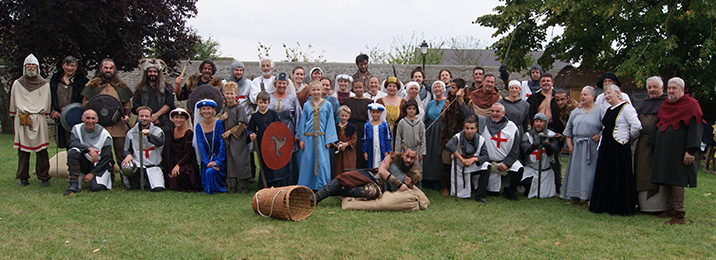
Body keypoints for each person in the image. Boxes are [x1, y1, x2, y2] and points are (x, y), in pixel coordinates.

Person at [650, 77, 703, 224]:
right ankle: (669, 209)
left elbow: (696, 128)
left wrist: (691, 150)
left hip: (680, 151)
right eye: (669, 88)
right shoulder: (666, 105)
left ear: (682, 90)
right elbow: (658, 124)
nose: (671, 91)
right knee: (666, 178)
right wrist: (654, 142)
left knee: (677, 180)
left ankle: (679, 214)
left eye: (674, 88)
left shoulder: (692, 105)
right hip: (665, 150)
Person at [589, 84, 641, 216]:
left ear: (618, 93)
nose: (606, 96)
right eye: (605, 94)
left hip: (619, 147)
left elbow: (636, 125)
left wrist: (627, 138)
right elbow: (605, 129)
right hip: (607, 146)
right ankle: (604, 204)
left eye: (609, 93)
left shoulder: (626, 108)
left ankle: (618, 206)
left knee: (618, 175)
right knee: (606, 174)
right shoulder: (609, 110)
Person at [82, 58, 132, 183]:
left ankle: (126, 178)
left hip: (118, 125)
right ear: (101, 69)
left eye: (111, 68)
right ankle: (108, 178)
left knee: (121, 153)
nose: (108, 70)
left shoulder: (121, 85)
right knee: (105, 155)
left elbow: (126, 104)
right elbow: (85, 103)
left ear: (114, 70)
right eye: (106, 68)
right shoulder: (92, 85)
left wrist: (126, 115)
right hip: (100, 126)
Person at [314, 149, 421, 203]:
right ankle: (315, 198)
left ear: (415, 159)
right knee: (345, 177)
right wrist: (398, 182)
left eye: (412, 158)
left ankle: (335, 191)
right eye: (407, 156)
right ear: (403, 155)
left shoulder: (413, 172)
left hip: (380, 187)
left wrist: (408, 184)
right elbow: (382, 171)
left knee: (370, 191)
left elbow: (411, 191)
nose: (408, 160)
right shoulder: (393, 157)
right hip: (371, 176)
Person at [10, 54, 52, 186]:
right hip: (23, 118)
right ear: (24, 67)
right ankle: (23, 177)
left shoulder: (44, 84)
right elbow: (13, 101)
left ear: (37, 67)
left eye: (33, 65)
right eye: (28, 64)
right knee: (23, 150)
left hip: (38, 118)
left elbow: (47, 103)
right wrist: (15, 114)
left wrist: (44, 114)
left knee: (42, 150)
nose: (31, 67)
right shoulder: (17, 84)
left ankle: (44, 177)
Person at [561, 86, 602, 205]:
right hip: (577, 146)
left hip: (591, 146)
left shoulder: (600, 110)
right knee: (576, 171)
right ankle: (574, 196)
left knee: (589, 172)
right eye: (582, 95)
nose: (582, 97)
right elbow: (568, 130)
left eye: (585, 94)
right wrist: (569, 145)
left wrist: (599, 136)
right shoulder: (576, 112)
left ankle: (589, 197)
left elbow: (605, 127)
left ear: (592, 96)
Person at [634, 76, 668, 212]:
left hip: (661, 145)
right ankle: (644, 205)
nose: (652, 90)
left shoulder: (667, 103)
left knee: (658, 170)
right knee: (642, 171)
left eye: (655, 87)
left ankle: (660, 206)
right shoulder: (643, 104)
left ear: (662, 88)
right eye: (650, 87)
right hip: (643, 144)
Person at [297, 81, 338, 190]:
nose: (316, 92)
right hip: (308, 137)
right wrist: (301, 139)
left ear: (322, 90)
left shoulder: (327, 105)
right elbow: (303, 122)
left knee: (322, 162)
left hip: (322, 138)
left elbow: (330, 122)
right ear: (310, 91)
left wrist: (329, 139)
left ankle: (322, 186)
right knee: (308, 161)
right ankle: (306, 185)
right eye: (314, 90)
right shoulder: (306, 105)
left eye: (318, 90)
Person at [478, 103, 523, 200]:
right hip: (490, 162)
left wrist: (507, 163)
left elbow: (515, 149)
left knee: (518, 168)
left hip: (505, 160)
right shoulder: (484, 123)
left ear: (503, 113)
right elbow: (468, 114)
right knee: (493, 193)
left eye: (497, 111)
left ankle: (511, 192)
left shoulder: (512, 127)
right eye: (492, 111)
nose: (494, 113)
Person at [63, 109, 113, 195]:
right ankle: (73, 184)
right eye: (87, 118)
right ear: (82, 118)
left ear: (97, 120)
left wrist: (92, 174)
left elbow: (106, 158)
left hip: (100, 166)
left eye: (93, 118)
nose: (90, 121)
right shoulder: (76, 129)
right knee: (73, 152)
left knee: (95, 187)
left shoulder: (105, 135)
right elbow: (72, 143)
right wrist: (89, 149)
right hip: (84, 163)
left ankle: (94, 179)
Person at [445, 116, 491, 203]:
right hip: (460, 165)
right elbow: (449, 145)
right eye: (467, 128)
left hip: (472, 163)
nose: (469, 131)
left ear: (476, 129)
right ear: (463, 129)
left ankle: (480, 195)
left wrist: (473, 159)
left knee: (487, 166)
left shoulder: (481, 139)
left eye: (472, 128)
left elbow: (486, 156)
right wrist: (462, 160)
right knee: (462, 195)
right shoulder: (457, 137)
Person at [121, 106, 166, 191]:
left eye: (146, 116)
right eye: (141, 116)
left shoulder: (157, 131)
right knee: (133, 185)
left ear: (150, 117)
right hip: (138, 164)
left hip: (153, 165)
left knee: (158, 189)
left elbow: (160, 142)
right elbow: (126, 149)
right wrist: (128, 155)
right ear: (138, 117)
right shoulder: (131, 132)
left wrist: (149, 135)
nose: (144, 118)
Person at [269, 73, 302, 185]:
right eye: (279, 83)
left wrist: (297, 132)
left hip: (288, 129)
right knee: (274, 153)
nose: (281, 85)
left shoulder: (292, 98)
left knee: (288, 155)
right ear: (275, 84)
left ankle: (289, 182)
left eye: (284, 83)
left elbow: (298, 114)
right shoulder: (268, 96)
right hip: (272, 131)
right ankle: (274, 181)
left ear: (287, 84)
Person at [247, 92, 285, 188]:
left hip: (272, 142)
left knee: (273, 161)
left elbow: (278, 125)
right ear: (257, 102)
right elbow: (250, 129)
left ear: (268, 103)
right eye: (260, 103)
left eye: (264, 103)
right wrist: (251, 134)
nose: (262, 105)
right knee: (263, 162)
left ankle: (275, 182)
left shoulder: (272, 114)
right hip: (261, 141)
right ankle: (264, 183)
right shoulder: (255, 116)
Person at [50, 55, 89, 149]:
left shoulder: (83, 81)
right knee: (66, 143)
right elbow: (50, 98)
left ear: (76, 67)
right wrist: (53, 111)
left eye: (72, 66)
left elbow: (87, 99)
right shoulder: (55, 80)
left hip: (77, 117)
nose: (69, 68)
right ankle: (70, 162)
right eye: (67, 65)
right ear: (63, 66)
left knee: (79, 144)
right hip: (60, 118)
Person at [439, 78, 469, 196]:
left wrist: (460, 100)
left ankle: (459, 187)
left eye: (453, 87)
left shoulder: (468, 101)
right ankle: (445, 187)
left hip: (460, 136)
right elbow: (442, 119)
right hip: (447, 136)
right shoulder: (448, 101)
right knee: (446, 163)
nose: (450, 90)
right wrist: (445, 109)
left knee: (459, 163)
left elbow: (468, 116)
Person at [221, 82, 252, 194]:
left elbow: (242, 124)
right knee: (231, 161)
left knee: (241, 160)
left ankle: (244, 186)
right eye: (227, 94)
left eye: (231, 93)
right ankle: (232, 185)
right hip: (228, 140)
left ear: (236, 94)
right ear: (224, 94)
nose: (229, 96)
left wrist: (231, 131)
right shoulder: (224, 108)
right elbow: (219, 122)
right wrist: (222, 119)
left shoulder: (239, 108)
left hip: (238, 139)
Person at [520, 113, 560, 198]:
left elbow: (554, 149)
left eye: (541, 121)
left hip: (545, 170)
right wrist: (532, 147)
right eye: (536, 121)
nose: (538, 124)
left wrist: (549, 147)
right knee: (526, 181)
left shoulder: (551, 135)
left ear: (545, 123)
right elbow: (524, 149)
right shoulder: (527, 135)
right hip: (531, 168)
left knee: (545, 194)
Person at [163, 108, 202, 192]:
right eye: (176, 117)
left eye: (181, 118)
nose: (179, 120)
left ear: (185, 119)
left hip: (186, 161)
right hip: (174, 160)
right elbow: (170, 151)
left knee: (181, 174)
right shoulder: (171, 132)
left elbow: (188, 153)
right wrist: (171, 167)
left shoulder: (188, 133)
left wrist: (178, 165)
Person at [193, 99, 227, 194]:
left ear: (213, 110)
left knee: (211, 172)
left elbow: (222, 143)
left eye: (209, 109)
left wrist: (218, 162)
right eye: (203, 109)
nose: (206, 111)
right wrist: (207, 162)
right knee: (208, 171)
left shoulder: (219, 123)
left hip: (220, 159)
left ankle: (220, 186)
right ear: (200, 111)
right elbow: (201, 146)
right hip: (207, 160)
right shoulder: (198, 127)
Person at [132, 58, 175, 133]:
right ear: (146, 73)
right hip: (143, 124)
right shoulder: (139, 88)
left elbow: (170, 103)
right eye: (150, 71)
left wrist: (156, 115)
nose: (152, 73)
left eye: (155, 72)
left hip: (164, 123)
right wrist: (147, 117)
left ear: (158, 73)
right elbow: (136, 105)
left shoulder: (167, 87)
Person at [423, 81, 448, 191]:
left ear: (443, 89)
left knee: (438, 154)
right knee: (429, 154)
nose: (437, 89)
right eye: (435, 87)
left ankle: (438, 180)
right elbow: (426, 117)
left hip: (441, 130)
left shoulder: (447, 102)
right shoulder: (430, 103)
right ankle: (428, 179)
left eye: (439, 87)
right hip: (430, 130)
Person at [343, 80, 373, 168]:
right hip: (351, 128)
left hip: (363, 128)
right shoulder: (348, 101)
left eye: (360, 87)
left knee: (361, 151)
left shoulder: (369, 102)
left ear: (364, 88)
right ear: (353, 89)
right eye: (356, 87)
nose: (358, 89)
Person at [394, 99, 425, 170]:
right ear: (406, 110)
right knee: (405, 168)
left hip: (417, 150)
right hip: (405, 150)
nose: (411, 110)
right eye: (409, 108)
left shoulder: (420, 123)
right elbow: (398, 138)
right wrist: (398, 152)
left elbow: (423, 138)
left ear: (416, 110)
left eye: (414, 109)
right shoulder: (402, 122)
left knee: (416, 169)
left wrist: (422, 152)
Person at [363, 103, 392, 169]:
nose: (375, 114)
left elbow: (388, 138)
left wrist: (388, 151)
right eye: (373, 112)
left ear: (381, 113)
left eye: (377, 112)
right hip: (371, 149)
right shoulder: (367, 125)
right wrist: (365, 151)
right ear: (370, 112)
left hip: (382, 149)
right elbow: (365, 139)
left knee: (382, 165)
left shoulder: (385, 125)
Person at [333, 106, 357, 177]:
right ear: (338, 115)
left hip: (349, 152)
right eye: (342, 116)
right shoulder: (335, 127)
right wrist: (336, 145)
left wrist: (346, 144)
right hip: (338, 152)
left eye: (346, 116)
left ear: (349, 116)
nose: (344, 118)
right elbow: (333, 138)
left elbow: (354, 139)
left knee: (349, 167)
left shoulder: (352, 128)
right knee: (338, 167)